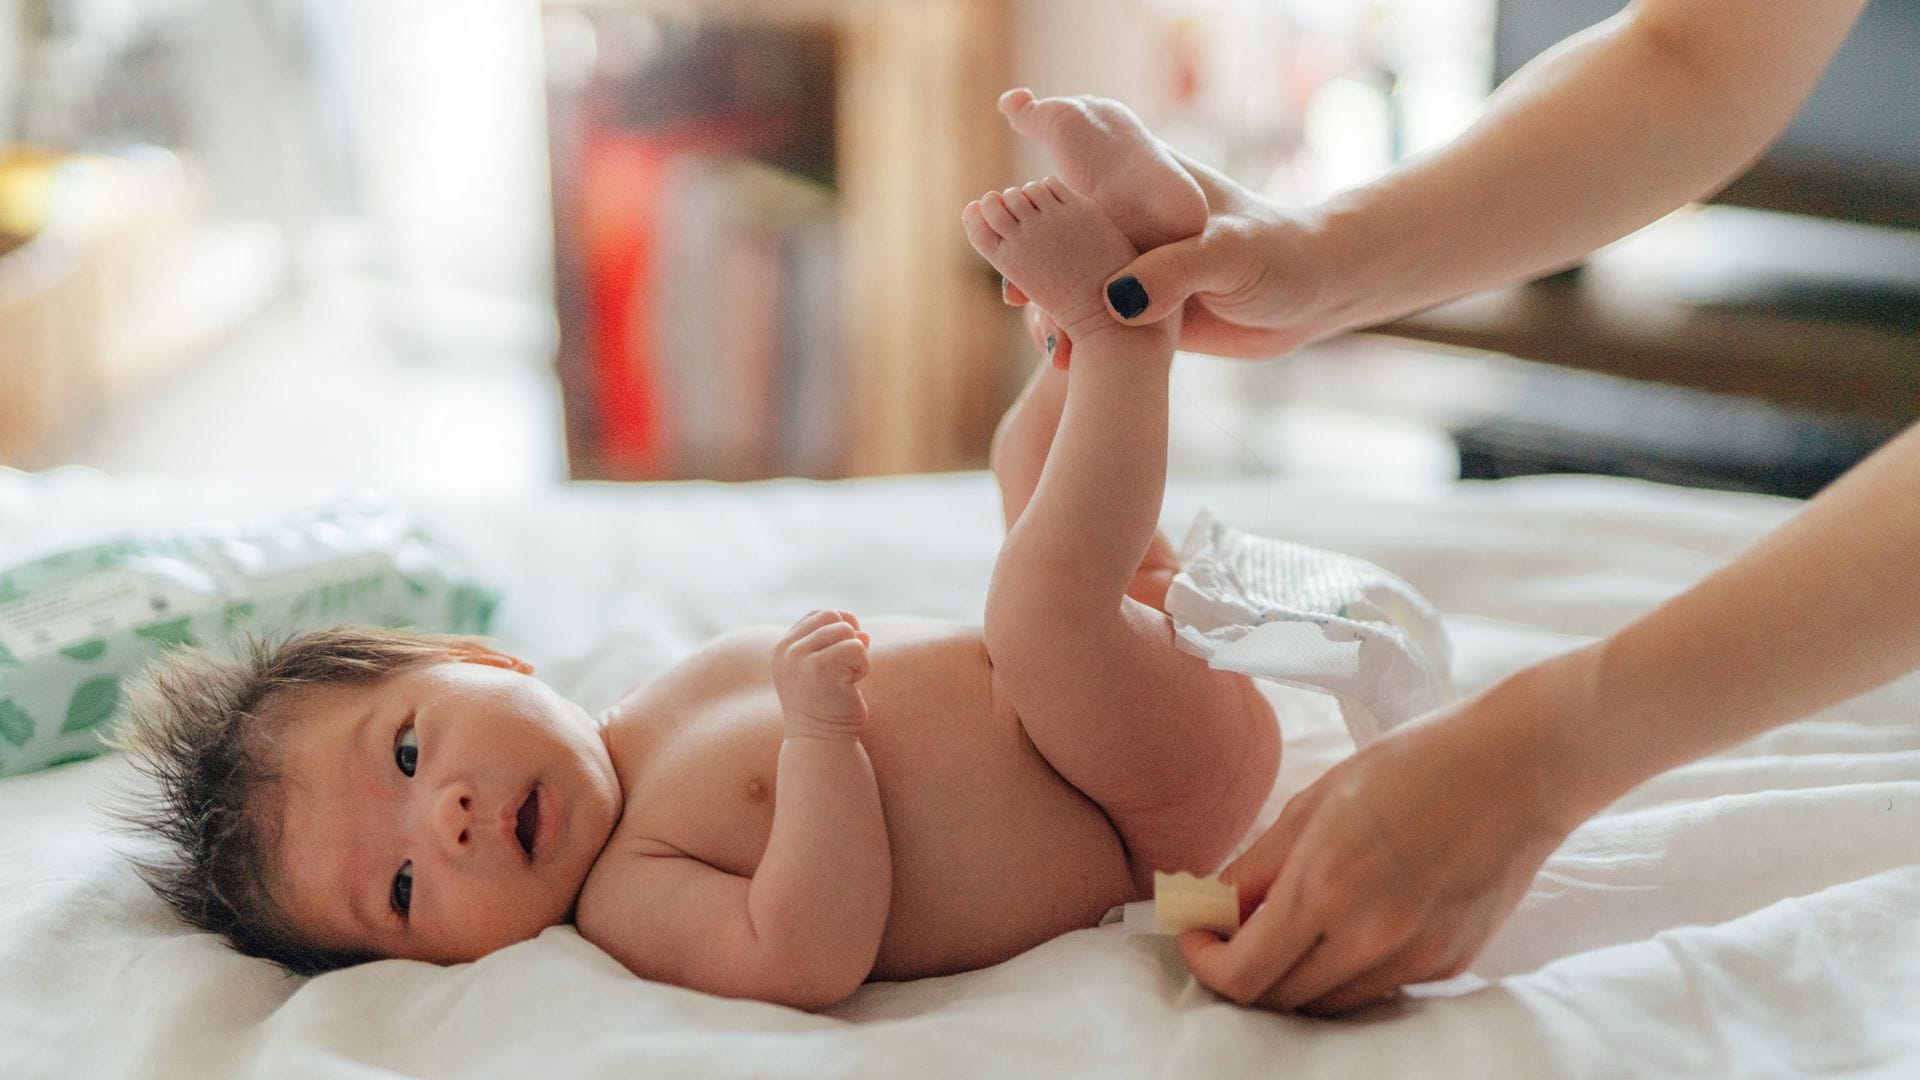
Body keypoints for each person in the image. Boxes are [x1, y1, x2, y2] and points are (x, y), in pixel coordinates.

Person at [113, 139, 1282, 1010]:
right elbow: (804, 954)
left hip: (1126, 690)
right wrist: (822, 743)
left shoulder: (654, 706)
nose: (451, 817)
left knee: (1026, 465)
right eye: (407, 890)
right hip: (1140, 811)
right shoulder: (631, 896)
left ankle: (1120, 286)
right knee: (1035, 605)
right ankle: (1126, 327)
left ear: (479, 660)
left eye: (410, 753)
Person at [996, 0, 1885, 1016]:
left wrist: (1540, 757)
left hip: (1103, 804)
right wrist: (1320, 258)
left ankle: (1114, 337)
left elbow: (814, 944)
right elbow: (1695, 54)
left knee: (1041, 576)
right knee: (1055, 559)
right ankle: (1124, 302)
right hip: (1085, 741)